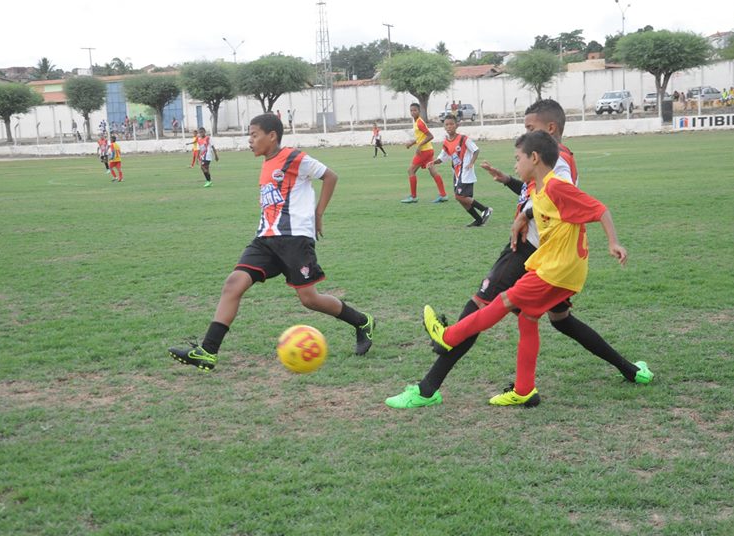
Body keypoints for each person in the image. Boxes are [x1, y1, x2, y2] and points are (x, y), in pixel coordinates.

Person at [385, 99, 651, 409]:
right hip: (548, 256)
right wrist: (513, 188)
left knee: (483, 304)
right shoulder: (550, 166)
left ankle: (430, 381)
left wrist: (525, 216)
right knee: (553, 319)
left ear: (549, 130)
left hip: (535, 252)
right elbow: (540, 196)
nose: (524, 134)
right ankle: (627, 371)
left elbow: (564, 197)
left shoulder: (558, 164)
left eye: (529, 128)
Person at [168, 113, 375, 372]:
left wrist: (318, 214)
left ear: (272, 136)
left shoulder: (293, 157)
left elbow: (330, 176)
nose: (249, 140)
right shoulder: (266, 164)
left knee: (309, 299)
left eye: (254, 135)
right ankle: (208, 352)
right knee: (233, 284)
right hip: (265, 239)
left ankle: (362, 321)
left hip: (295, 239)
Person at [433, 114, 491, 226]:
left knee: (459, 196)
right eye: (447, 124)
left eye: (451, 124)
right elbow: (443, 157)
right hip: (456, 173)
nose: (449, 126)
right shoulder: (446, 142)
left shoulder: (463, 139)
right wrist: (433, 162)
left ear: (456, 125)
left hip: (465, 172)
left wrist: (471, 163)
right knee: (461, 198)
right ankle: (478, 220)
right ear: (444, 127)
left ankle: (485, 209)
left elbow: (476, 150)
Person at [401, 102, 448, 203]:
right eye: (411, 110)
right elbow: (421, 137)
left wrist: (419, 146)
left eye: (415, 110)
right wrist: (412, 143)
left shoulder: (419, 123)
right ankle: (443, 195)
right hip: (429, 150)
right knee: (433, 171)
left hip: (424, 151)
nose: (413, 112)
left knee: (411, 171)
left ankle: (413, 197)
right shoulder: (417, 122)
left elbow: (430, 136)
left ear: (419, 111)